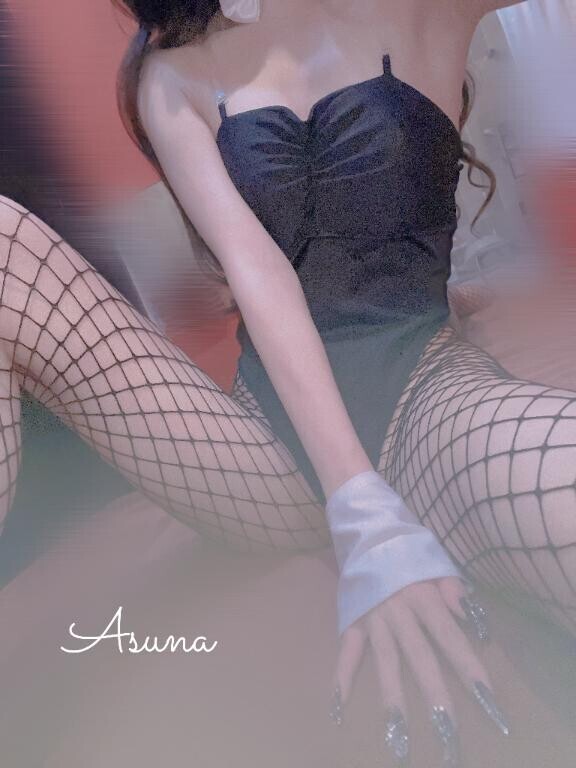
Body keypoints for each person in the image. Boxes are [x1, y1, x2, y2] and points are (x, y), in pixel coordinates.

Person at [2, 0, 576, 764]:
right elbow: (256, 270)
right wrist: (363, 510)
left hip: (419, 395)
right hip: (261, 449)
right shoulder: (169, 77)